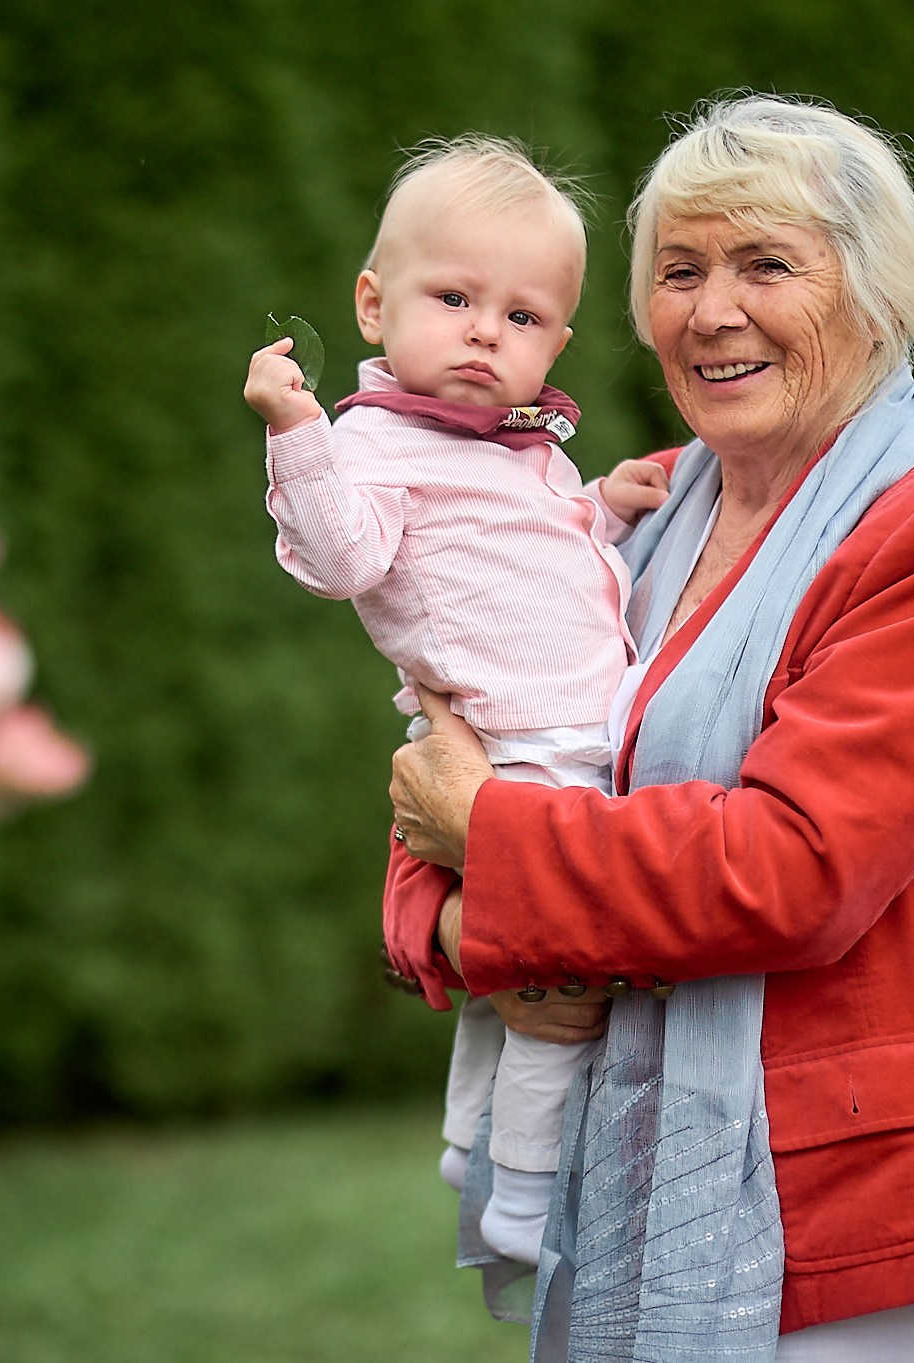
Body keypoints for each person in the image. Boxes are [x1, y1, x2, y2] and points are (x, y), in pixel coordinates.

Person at [385, 95, 914, 1363]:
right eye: (677, 270)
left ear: (877, 299)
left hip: (844, 1193)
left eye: (765, 265)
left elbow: (793, 866)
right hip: (624, 1149)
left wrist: (491, 843)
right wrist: (453, 926)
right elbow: (461, 747)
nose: (711, 311)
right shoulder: (633, 516)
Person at [243, 135, 672, 1267]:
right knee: (555, 976)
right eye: (454, 298)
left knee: (501, 969)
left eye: (524, 318)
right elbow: (343, 557)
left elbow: (543, 571)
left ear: (558, 344)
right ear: (373, 306)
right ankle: (523, 1195)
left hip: (560, 730)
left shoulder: (514, 448)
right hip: (525, 745)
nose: (487, 331)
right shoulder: (373, 442)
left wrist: (607, 513)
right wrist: (297, 437)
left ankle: (463, 1136)